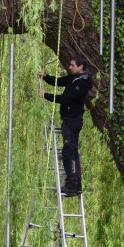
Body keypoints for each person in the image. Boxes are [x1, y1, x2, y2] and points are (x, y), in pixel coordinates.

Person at [38, 57, 93, 196]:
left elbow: (66, 99)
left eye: (73, 65)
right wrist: (45, 77)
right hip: (69, 120)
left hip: (73, 121)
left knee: (69, 153)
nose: (70, 67)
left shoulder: (81, 83)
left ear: (81, 66)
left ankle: (72, 185)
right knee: (71, 152)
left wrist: (46, 95)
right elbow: (58, 81)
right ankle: (76, 184)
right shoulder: (73, 78)